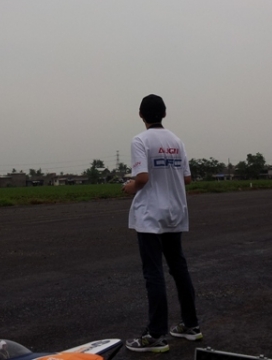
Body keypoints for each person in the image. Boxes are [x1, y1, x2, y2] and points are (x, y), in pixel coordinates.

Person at [123, 94, 201, 353]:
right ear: (164, 113)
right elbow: (187, 178)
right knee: (179, 268)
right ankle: (191, 325)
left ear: (141, 115)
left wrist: (130, 186)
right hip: (175, 212)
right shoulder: (176, 141)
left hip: (150, 216)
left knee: (153, 273)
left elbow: (142, 177)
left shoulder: (140, 140)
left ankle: (155, 334)